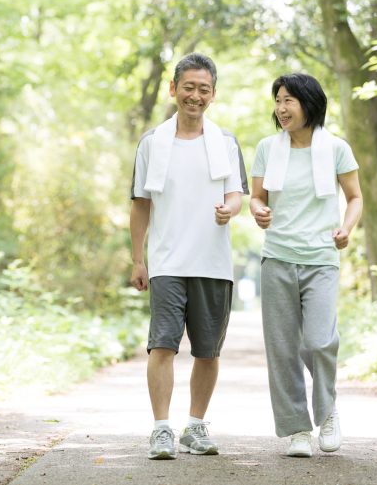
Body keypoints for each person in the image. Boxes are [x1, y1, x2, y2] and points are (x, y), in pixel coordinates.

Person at [129, 52, 248, 460]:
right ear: (173, 89)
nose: (195, 96)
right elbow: (140, 203)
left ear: (213, 95)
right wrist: (137, 258)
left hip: (213, 263)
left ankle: (195, 427)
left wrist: (230, 208)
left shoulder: (226, 142)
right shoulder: (152, 142)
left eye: (204, 89)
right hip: (166, 262)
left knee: (207, 352)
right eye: (188, 87)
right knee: (161, 346)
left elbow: (237, 194)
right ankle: (161, 429)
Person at [249, 73, 362, 457]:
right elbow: (257, 197)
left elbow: (355, 197)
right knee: (282, 347)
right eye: (278, 100)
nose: (281, 108)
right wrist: (259, 211)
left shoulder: (336, 149)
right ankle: (297, 429)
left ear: (309, 103)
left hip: (320, 259)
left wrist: (346, 228)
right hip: (278, 256)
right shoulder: (267, 147)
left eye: (289, 101)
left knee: (318, 340)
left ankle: (327, 411)